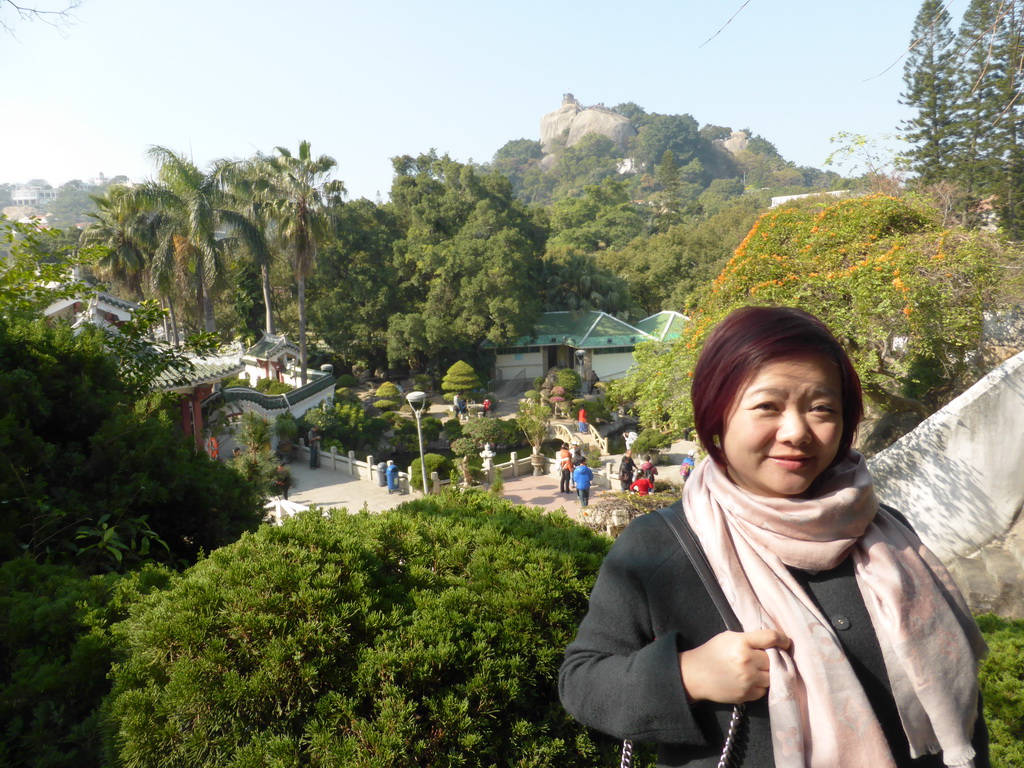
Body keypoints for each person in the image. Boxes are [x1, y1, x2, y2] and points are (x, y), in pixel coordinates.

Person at [559, 306, 989, 768]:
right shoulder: (660, 545)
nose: (798, 432)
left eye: (822, 408)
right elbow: (582, 680)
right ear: (717, 416)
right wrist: (686, 676)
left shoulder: (884, 529)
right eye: (768, 406)